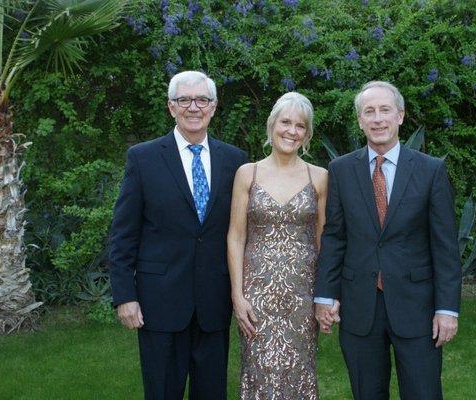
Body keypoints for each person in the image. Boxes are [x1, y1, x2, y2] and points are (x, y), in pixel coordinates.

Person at [314, 81, 462, 400]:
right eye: (369, 112)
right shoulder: (340, 170)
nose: (378, 119)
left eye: (385, 110)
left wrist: (447, 308)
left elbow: (445, 247)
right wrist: (325, 295)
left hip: (417, 308)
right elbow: (335, 237)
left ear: (400, 116)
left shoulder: (430, 171)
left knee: (423, 393)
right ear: (360, 120)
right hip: (359, 308)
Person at [109, 70, 248, 400]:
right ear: (171, 107)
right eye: (184, 100)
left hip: (213, 302)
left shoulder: (235, 160)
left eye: (202, 100)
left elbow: (242, 231)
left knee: (212, 392)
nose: (193, 107)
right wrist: (125, 295)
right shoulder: (143, 158)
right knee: (162, 391)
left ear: (214, 107)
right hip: (160, 301)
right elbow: (123, 234)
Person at [227, 92, 330, 399]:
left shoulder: (320, 177)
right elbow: (235, 235)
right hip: (256, 294)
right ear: (272, 125)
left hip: (303, 293)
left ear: (307, 134)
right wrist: (237, 294)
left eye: (300, 126)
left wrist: (325, 296)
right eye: (286, 122)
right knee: (258, 369)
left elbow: (324, 241)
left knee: (300, 369)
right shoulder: (248, 173)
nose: (291, 131)